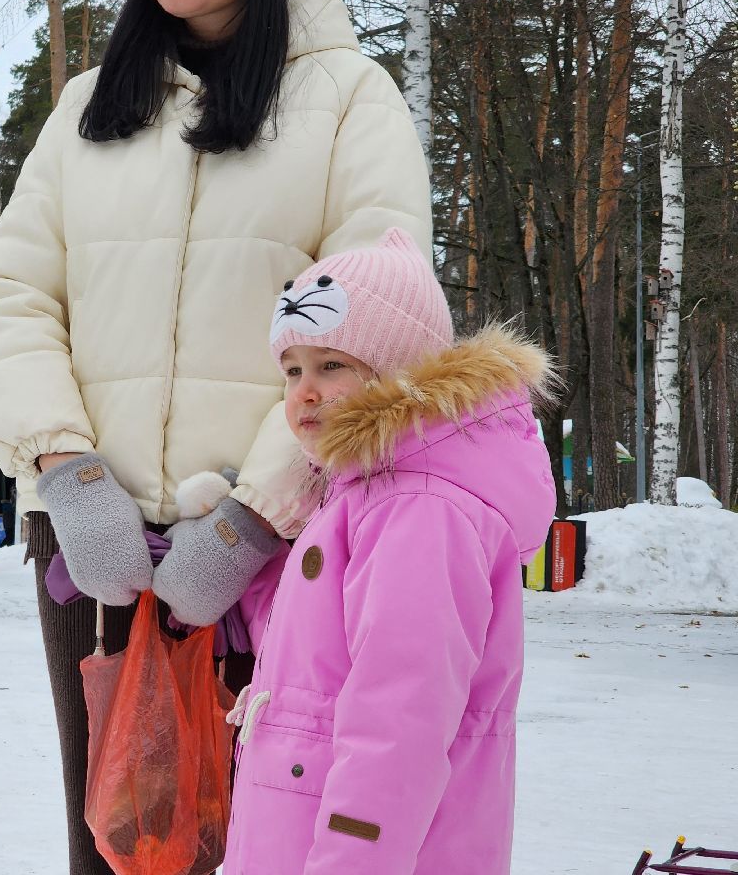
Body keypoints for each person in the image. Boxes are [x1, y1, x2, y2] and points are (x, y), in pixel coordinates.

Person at [0, 0, 434, 870]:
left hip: (275, 559)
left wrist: (260, 516)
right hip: (96, 552)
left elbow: (374, 312)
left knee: (256, 832)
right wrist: (66, 469)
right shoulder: (92, 109)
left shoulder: (350, 103)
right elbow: (12, 294)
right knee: (118, 835)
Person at [198, 228, 555, 873]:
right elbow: (321, 654)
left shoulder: (421, 510)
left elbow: (401, 719)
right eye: (293, 370)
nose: (305, 390)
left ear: (401, 374)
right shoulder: (366, 496)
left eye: (332, 365)